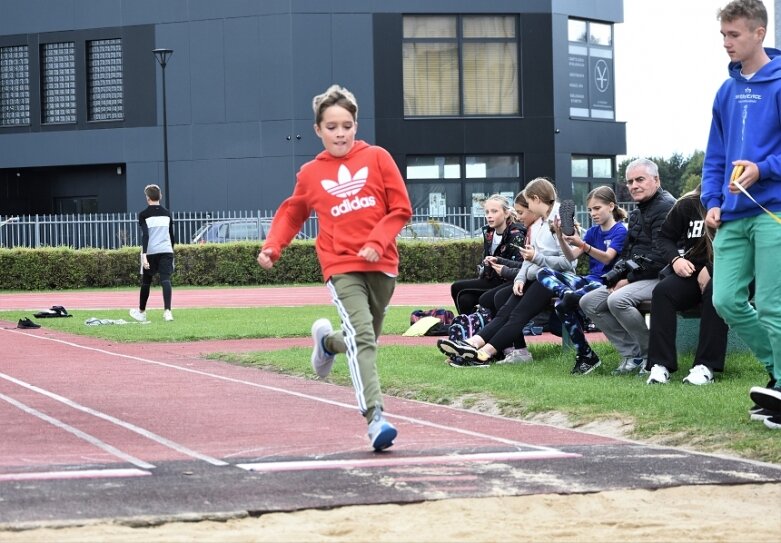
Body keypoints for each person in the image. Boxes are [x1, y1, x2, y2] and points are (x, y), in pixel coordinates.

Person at [257, 84, 412, 450]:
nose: (339, 133)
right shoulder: (311, 173)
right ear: (318, 130)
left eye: (346, 125)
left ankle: (327, 343)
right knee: (363, 339)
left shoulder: (377, 158)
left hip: (382, 264)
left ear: (356, 125)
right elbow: (293, 212)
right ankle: (375, 418)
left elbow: (401, 209)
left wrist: (377, 241)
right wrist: (273, 247)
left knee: (362, 339)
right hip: (341, 265)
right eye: (331, 126)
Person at [701, 0, 781, 428]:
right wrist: (712, 200)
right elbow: (715, 155)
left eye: (734, 35)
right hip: (731, 214)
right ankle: (778, 371)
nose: (727, 43)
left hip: (774, 213)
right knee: (726, 299)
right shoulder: (726, 91)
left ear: (759, 33)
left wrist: (763, 167)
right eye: (724, 35)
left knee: (771, 303)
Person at [437, 177, 576, 366]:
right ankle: (471, 344)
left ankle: (484, 353)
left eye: (527, 204)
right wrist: (520, 278)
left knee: (517, 314)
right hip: (537, 277)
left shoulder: (560, 220)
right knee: (504, 307)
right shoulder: (537, 225)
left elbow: (568, 263)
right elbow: (529, 257)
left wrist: (536, 259)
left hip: (555, 278)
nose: (523, 211)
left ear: (536, 199)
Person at [579, 158, 676, 375]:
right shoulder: (638, 211)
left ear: (656, 179)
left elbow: (661, 256)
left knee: (618, 299)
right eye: (630, 181)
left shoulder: (666, 207)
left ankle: (652, 355)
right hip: (641, 275)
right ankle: (632, 355)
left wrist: (628, 279)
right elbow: (629, 253)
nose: (634, 186)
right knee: (588, 301)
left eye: (640, 179)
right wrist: (615, 277)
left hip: (664, 276)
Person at [536, 186, 628, 375]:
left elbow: (607, 258)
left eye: (597, 208)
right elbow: (571, 257)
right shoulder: (593, 232)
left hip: (606, 283)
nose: (593, 213)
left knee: (562, 306)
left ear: (611, 206)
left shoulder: (620, 231)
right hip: (589, 281)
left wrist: (583, 245)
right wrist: (561, 237)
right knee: (543, 272)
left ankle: (586, 354)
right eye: (590, 210)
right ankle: (567, 295)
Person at [645, 186, 729, 385]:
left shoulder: (738, 200)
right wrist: (675, 259)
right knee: (663, 292)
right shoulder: (688, 202)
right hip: (693, 267)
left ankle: (705, 366)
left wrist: (712, 268)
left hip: (731, 268)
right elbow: (664, 237)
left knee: (715, 291)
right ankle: (660, 365)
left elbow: (746, 244)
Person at [450, 194, 525, 315]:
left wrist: (498, 263)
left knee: (456, 287)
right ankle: (471, 325)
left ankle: (469, 324)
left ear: (506, 214)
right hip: (490, 279)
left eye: (494, 211)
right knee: (465, 299)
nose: (489, 215)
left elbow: (521, 266)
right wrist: (487, 264)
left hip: (506, 281)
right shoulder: (489, 232)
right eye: (487, 212)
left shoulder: (516, 235)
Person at [129, 184, 175, 323]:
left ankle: (142, 312)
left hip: (151, 252)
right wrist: (170, 250)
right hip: (166, 250)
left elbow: (146, 235)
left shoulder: (143, 214)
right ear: (160, 196)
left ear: (147, 198)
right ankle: (167, 312)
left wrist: (144, 256)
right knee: (165, 280)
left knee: (146, 283)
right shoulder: (167, 213)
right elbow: (171, 236)